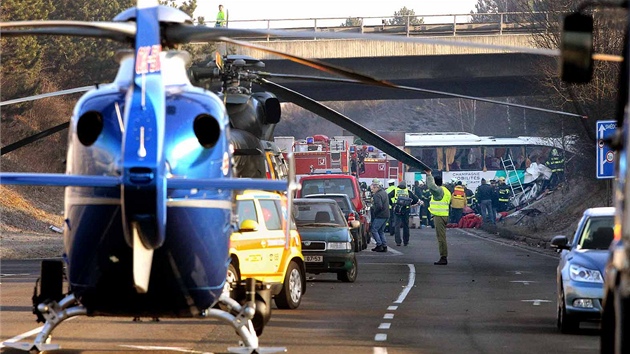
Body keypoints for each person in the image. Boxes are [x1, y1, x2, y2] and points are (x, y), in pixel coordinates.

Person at [425, 170, 451, 265]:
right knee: (442, 236)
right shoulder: (446, 191)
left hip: (439, 216)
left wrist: (429, 175)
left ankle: (443, 257)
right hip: (444, 215)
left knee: (441, 237)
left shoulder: (439, 191)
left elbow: (432, 187)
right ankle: (443, 256)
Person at [388, 180, 419, 246]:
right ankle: (406, 241)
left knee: (397, 226)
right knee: (406, 226)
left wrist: (392, 204)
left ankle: (398, 241)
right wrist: (410, 203)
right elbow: (416, 199)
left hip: (397, 209)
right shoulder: (407, 191)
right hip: (406, 209)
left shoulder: (395, 190)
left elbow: (388, 197)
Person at [369, 180, 390, 253]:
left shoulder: (377, 195)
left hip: (380, 215)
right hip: (386, 214)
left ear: (376, 187)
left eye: (372, 188)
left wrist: (374, 211)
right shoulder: (384, 193)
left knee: (374, 229)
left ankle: (379, 244)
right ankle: (384, 246)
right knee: (381, 231)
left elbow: (379, 206)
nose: (372, 190)